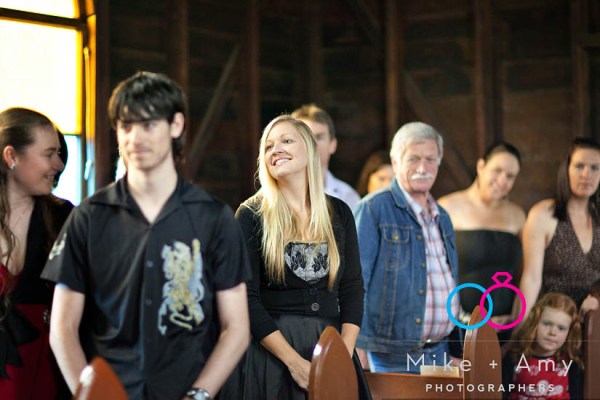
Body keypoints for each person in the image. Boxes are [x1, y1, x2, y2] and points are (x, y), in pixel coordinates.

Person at [41, 71, 251, 400]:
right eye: (126, 126)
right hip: (110, 389)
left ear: (176, 125)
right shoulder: (89, 217)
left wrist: (198, 395)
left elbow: (236, 328)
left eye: (149, 124)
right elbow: (62, 329)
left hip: (185, 387)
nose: (135, 138)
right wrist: (91, 395)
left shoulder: (214, 218)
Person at [220, 115, 364, 399]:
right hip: (271, 356)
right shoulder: (250, 214)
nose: (276, 150)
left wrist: (342, 356)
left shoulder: (340, 212)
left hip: (330, 345)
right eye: (268, 146)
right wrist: (293, 363)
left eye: (286, 141)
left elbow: (352, 288)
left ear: (310, 150)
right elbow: (246, 299)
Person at [354, 121, 461, 373]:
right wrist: (357, 345)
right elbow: (355, 282)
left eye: (430, 159)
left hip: (441, 350)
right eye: (413, 159)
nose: (423, 168)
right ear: (395, 162)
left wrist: (455, 347)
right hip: (391, 356)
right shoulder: (373, 209)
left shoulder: (442, 216)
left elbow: (449, 280)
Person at [0, 107, 73, 399]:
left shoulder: (65, 217)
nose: (59, 164)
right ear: (11, 157)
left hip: (47, 373)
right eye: (49, 154)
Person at [438, 143, 525, 335]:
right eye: (497, 170)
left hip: (504, 324)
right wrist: (460, 317)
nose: (502, 180)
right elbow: (433, 269)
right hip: (457, 323)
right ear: (481, 166)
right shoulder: (447, 207)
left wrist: (515, 317)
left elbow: (524, 273)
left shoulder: (517, 215)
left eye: (510, 176)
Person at [516, 137, 600, 323]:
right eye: (579, 166)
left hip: (590, 324)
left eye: (595, 168)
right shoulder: (543, 214)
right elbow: (531, 279)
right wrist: (519, 330)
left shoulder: (598, 217)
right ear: (566, 169)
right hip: (550, 325)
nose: (587, 174)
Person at [502, 292, 583, 399]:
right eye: (547, 324)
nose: (553, 332)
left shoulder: (571, 361)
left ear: (569, 332)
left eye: (561, 328)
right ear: (535, 323)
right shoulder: (514, 357)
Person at [291, 104, 361, 210]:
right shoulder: (272, 195)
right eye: (306, 137)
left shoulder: (348, 197)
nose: (312, 144)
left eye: (319, 137)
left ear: (333, 145)